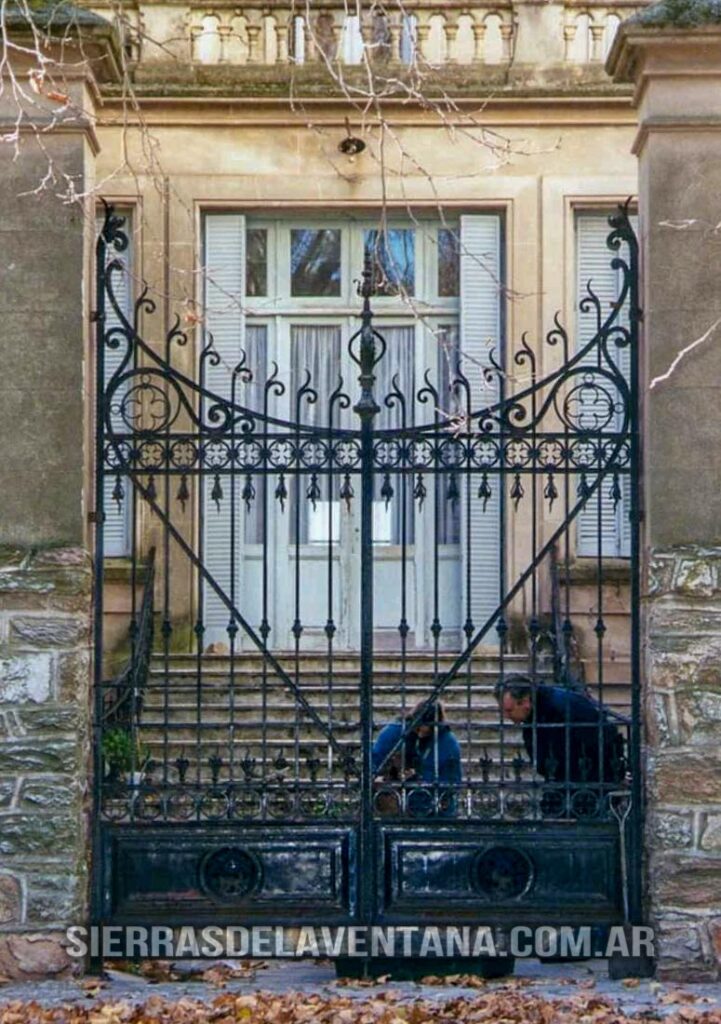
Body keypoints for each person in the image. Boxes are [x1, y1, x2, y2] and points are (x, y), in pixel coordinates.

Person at [494, 674, 624, 785]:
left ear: (526, 702)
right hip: (567, 781)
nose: (506, 716)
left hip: (586, 781)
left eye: (509, 710)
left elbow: (603, 739)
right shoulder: (541, 709)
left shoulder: (559, 707)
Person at [372, 701, 462, 816]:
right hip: (397, 802)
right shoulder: (394, 733)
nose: (420, 735)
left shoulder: (447, 743)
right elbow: (377, 760)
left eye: (425, 732)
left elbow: (452, 780)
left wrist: (420, 778)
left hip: (432, 807)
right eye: (417, 730)